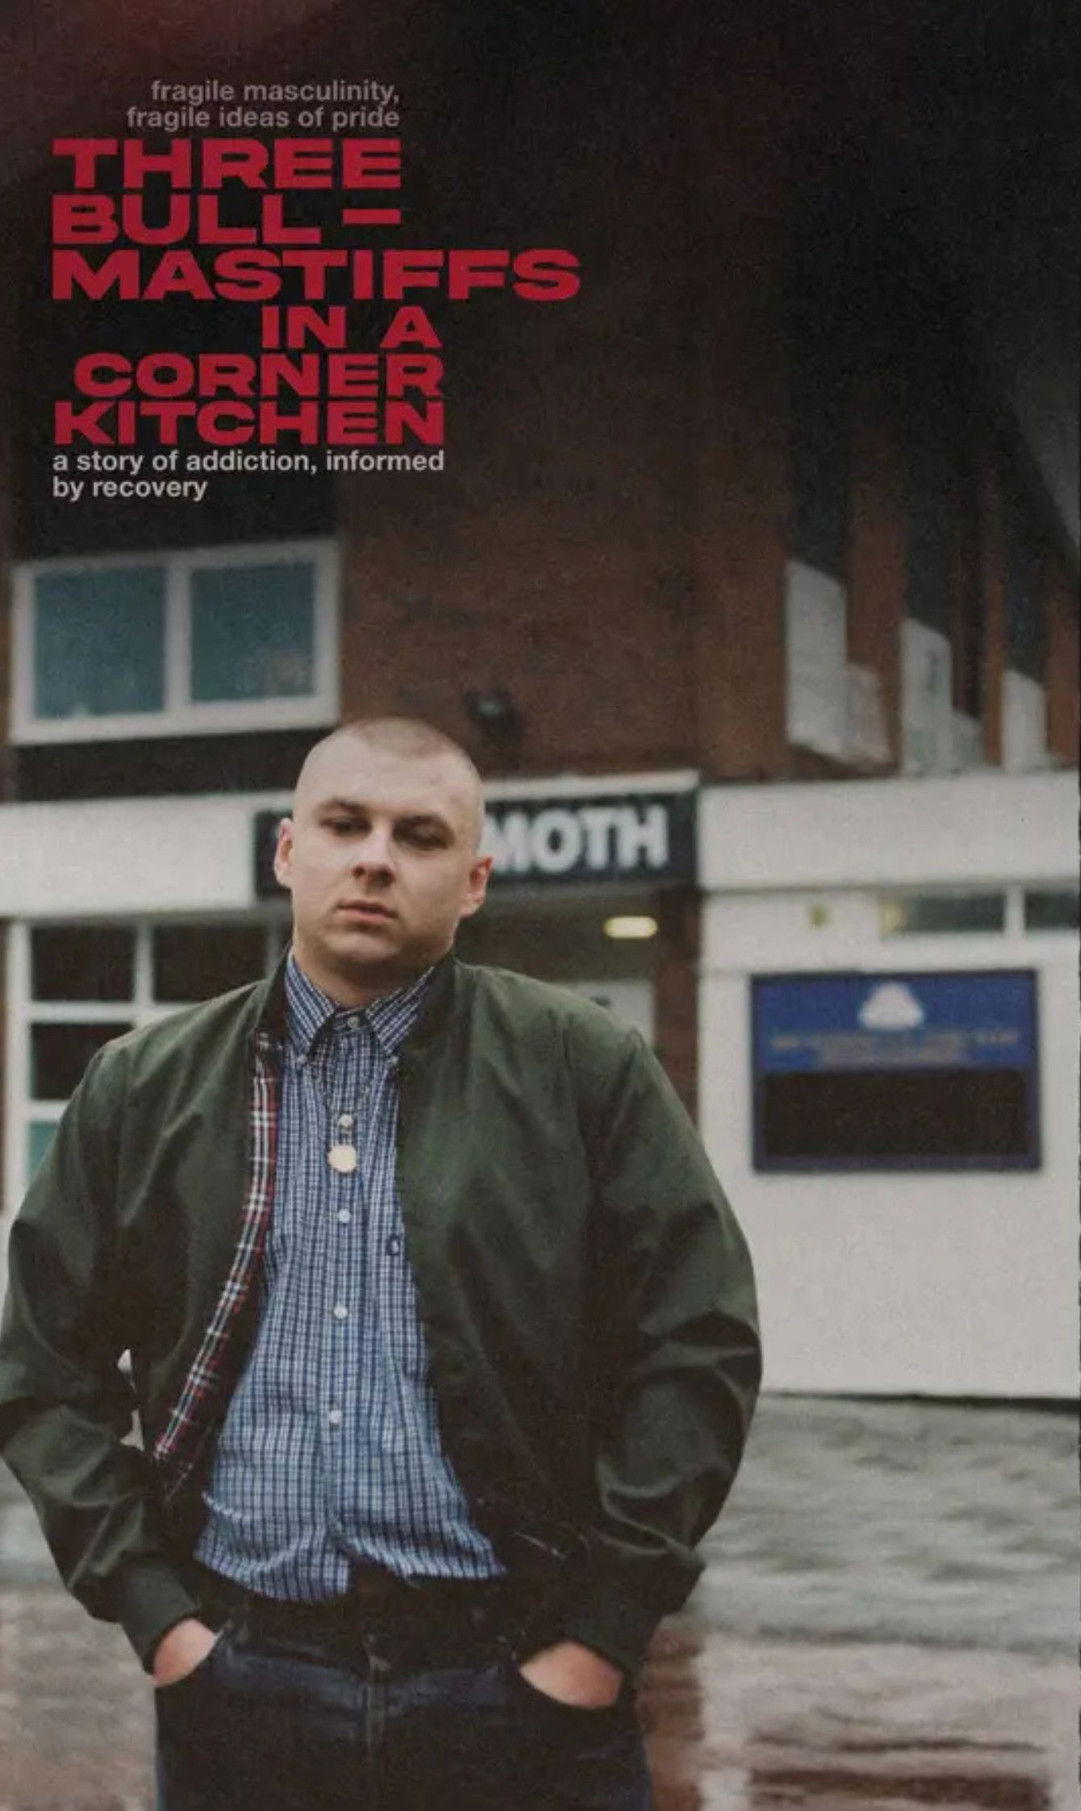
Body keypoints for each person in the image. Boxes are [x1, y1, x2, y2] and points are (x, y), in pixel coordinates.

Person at [0, 717, 761, 1811]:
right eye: (344, 824)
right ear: (286, 850)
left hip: (520, 1677)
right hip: (240, 1683)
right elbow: (43, 1368)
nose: (375, 857)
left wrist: (597, 1634)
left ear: (473, 880)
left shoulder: (580, 1065)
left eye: (419, 835)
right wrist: (161, 1618)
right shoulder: (145, 1084)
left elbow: (696, 1346)